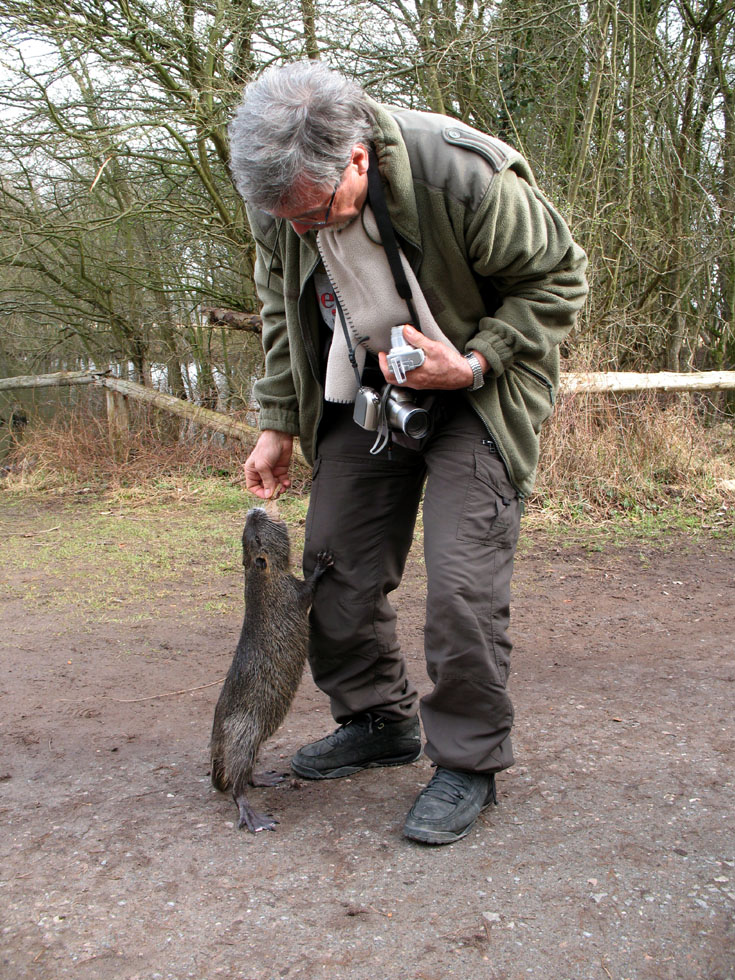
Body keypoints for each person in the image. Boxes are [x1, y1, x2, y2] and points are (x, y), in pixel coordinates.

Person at [228, 60, 587, 845]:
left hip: (477, 385)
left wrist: (474, 361)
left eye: (310, 212)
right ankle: (375, 722)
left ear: (355, 159)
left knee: (461, 585)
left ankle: (467, 761)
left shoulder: (462, 175)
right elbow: (280, 307)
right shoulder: (281, 192)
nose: (297, 229)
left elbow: (557, 281)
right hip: (365, 387)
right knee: (330, 564)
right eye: (280, 216)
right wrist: (277, 422)